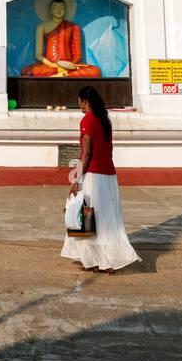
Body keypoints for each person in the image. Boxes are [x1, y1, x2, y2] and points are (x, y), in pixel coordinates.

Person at [61, 84, 140, 273]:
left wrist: (76, 181)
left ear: (85, 102)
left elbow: (86, 154)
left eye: (80, 102)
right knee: (106, 219)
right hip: (109, 176)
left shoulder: (87, 120)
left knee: (87, 217)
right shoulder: (104, 120)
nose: (79, 105)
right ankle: (104, 261)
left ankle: (96, 260)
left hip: (93, 176)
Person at [21, 0, 101, 78]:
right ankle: (64, 75)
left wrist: (69, 65)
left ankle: (62, 75)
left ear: (65, 10)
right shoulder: (41, 27)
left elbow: (78, 55)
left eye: (61, 8)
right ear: (50, 10)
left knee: (95, 71)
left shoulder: (73, 27)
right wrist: (52, 65)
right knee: (26, 71)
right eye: (55, 8)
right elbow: (38, 55)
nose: (58, 10)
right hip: (51, 65)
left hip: (69, 65)